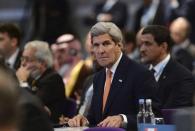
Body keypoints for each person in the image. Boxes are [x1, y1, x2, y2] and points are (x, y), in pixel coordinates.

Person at [68, 22, 160, 130]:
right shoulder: (98, 78)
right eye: (96, 45)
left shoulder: (141, 74)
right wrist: (84, 120)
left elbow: (154, 117)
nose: (101, 51)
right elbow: (95, 118)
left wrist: (123, 119)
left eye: (106, 44)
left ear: (119, 45)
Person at [138, 25, 195, 108]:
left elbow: (176, 115)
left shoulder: (183, 77)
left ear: (164, 47)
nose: (142, 49)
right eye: (141, 44)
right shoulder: (140, 72)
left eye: (148, 44)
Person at [16, 40, 65, 123]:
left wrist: (23, 83)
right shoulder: (32, 79)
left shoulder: (53, 79)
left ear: (43, 63)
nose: (23, 64)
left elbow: (32, 106)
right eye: (22, 59)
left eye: (28, 60)